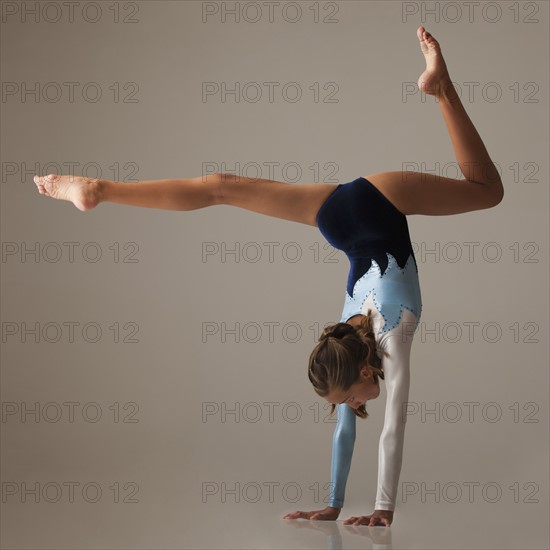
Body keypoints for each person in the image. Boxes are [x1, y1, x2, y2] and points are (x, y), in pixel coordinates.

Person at [33, 27, 504, 526]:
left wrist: (365, 506)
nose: (349, 408)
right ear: (360, 371)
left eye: (343, 400)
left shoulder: (378, 337)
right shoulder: (354, 336)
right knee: (223, 187)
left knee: (484, 190)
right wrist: (346, 505)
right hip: (348, 211)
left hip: (367, 206)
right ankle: (98, 189)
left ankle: (441, 87)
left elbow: (384, 425)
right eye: (345, 399)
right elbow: (375, 427)